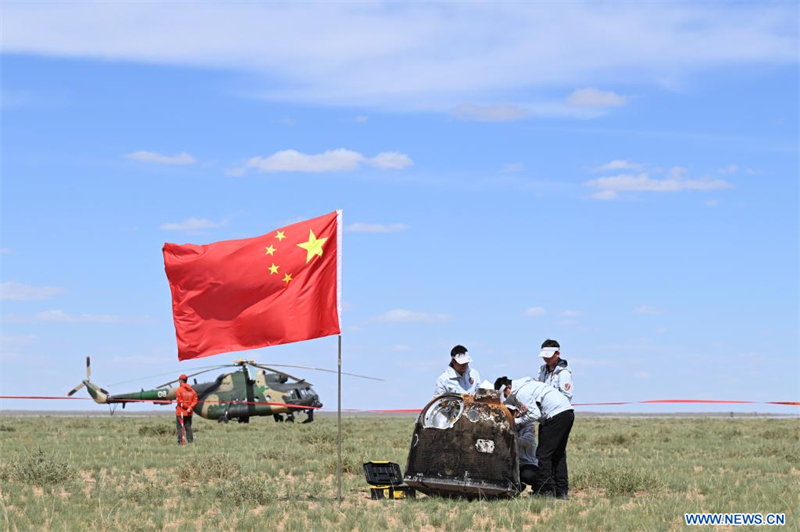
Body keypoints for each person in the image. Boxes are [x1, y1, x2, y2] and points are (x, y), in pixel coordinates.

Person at [495, 375, 574, 499]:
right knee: (558, 454)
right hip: (566, 413)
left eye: (505, 395)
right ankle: (561, 491)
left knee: (544, 454)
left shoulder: (521, 393)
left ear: (509, 388)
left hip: (555, 415)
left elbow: (535, 414)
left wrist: (517, 421)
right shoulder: (527, 386)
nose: (506, 398)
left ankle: (546, 491)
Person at [175, 374, 198, 445]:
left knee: (180, 428)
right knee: (188, 427)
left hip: (181, 412)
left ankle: (180, 442)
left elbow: (179, 402)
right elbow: (195, 401)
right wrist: (190, 407)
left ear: (181, 380)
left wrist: (187, 407)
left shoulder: (179, 390)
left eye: (179, 380)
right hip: (189, 413)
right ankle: (190, 441)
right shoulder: (193, 391)